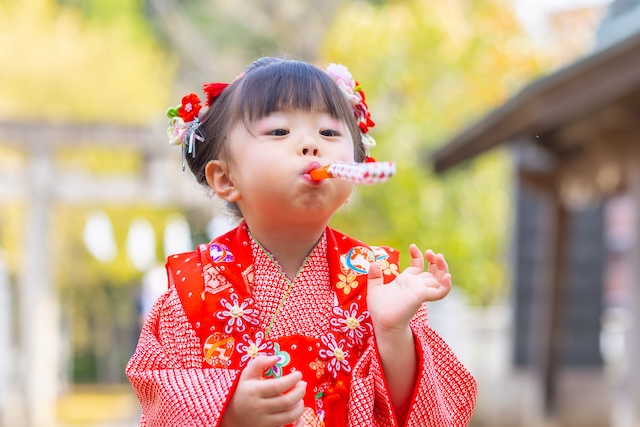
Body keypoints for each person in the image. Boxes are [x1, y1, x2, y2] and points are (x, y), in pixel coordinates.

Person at [126, 57, 477, 427]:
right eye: (279, 132)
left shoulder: (381, 281)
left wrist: (393, 334)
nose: (311, 145)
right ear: (225, 178)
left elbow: (427, 417)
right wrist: (229, 410)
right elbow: (160, 401)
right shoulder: (192, 290)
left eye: (329, 133)